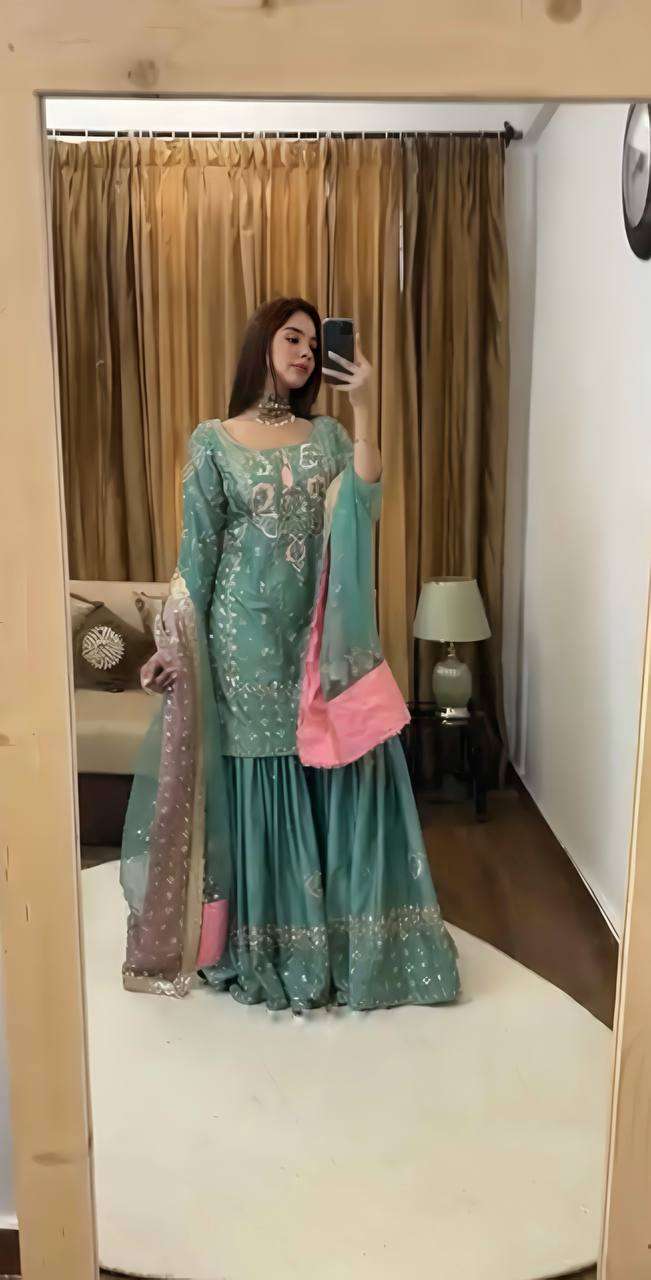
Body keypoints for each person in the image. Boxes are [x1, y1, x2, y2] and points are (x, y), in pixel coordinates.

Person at [120, 296, 461, 1013]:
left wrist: (363, 405)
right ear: (262, 344)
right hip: (241, 638)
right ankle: (262, 943)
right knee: (261, 772)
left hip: (316, 635)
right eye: (292, 338)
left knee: (330, 760)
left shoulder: (328, 435)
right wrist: (172, 645)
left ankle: (336, 939)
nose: (305, 352)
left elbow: (364, 498)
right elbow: (197, 553)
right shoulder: (213, 441)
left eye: (313, 342)